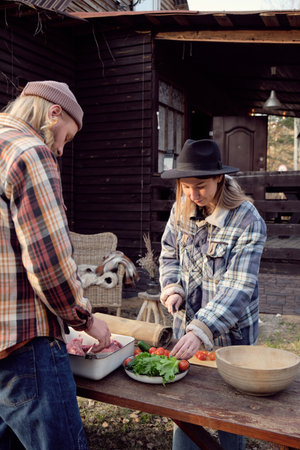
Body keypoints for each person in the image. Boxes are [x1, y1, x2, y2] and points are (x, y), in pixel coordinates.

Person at [0, 80, 111, 449]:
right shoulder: (29, 151)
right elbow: (49, 266)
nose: (61, 150)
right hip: (24, 347)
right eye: (65, 136)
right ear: (53, 113)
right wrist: (85, 319)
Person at [159, 139, 267, 450]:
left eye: (201, 186)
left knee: (231, 411)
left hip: (232, 332)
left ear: (219, 178)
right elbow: (168, 253)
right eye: (186, 186)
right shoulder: (181, 207)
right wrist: (172, 287)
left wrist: (202, 329)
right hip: (188, 327)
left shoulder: (248, 220)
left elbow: (239, 286)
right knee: (186, 404)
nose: (193, 195)